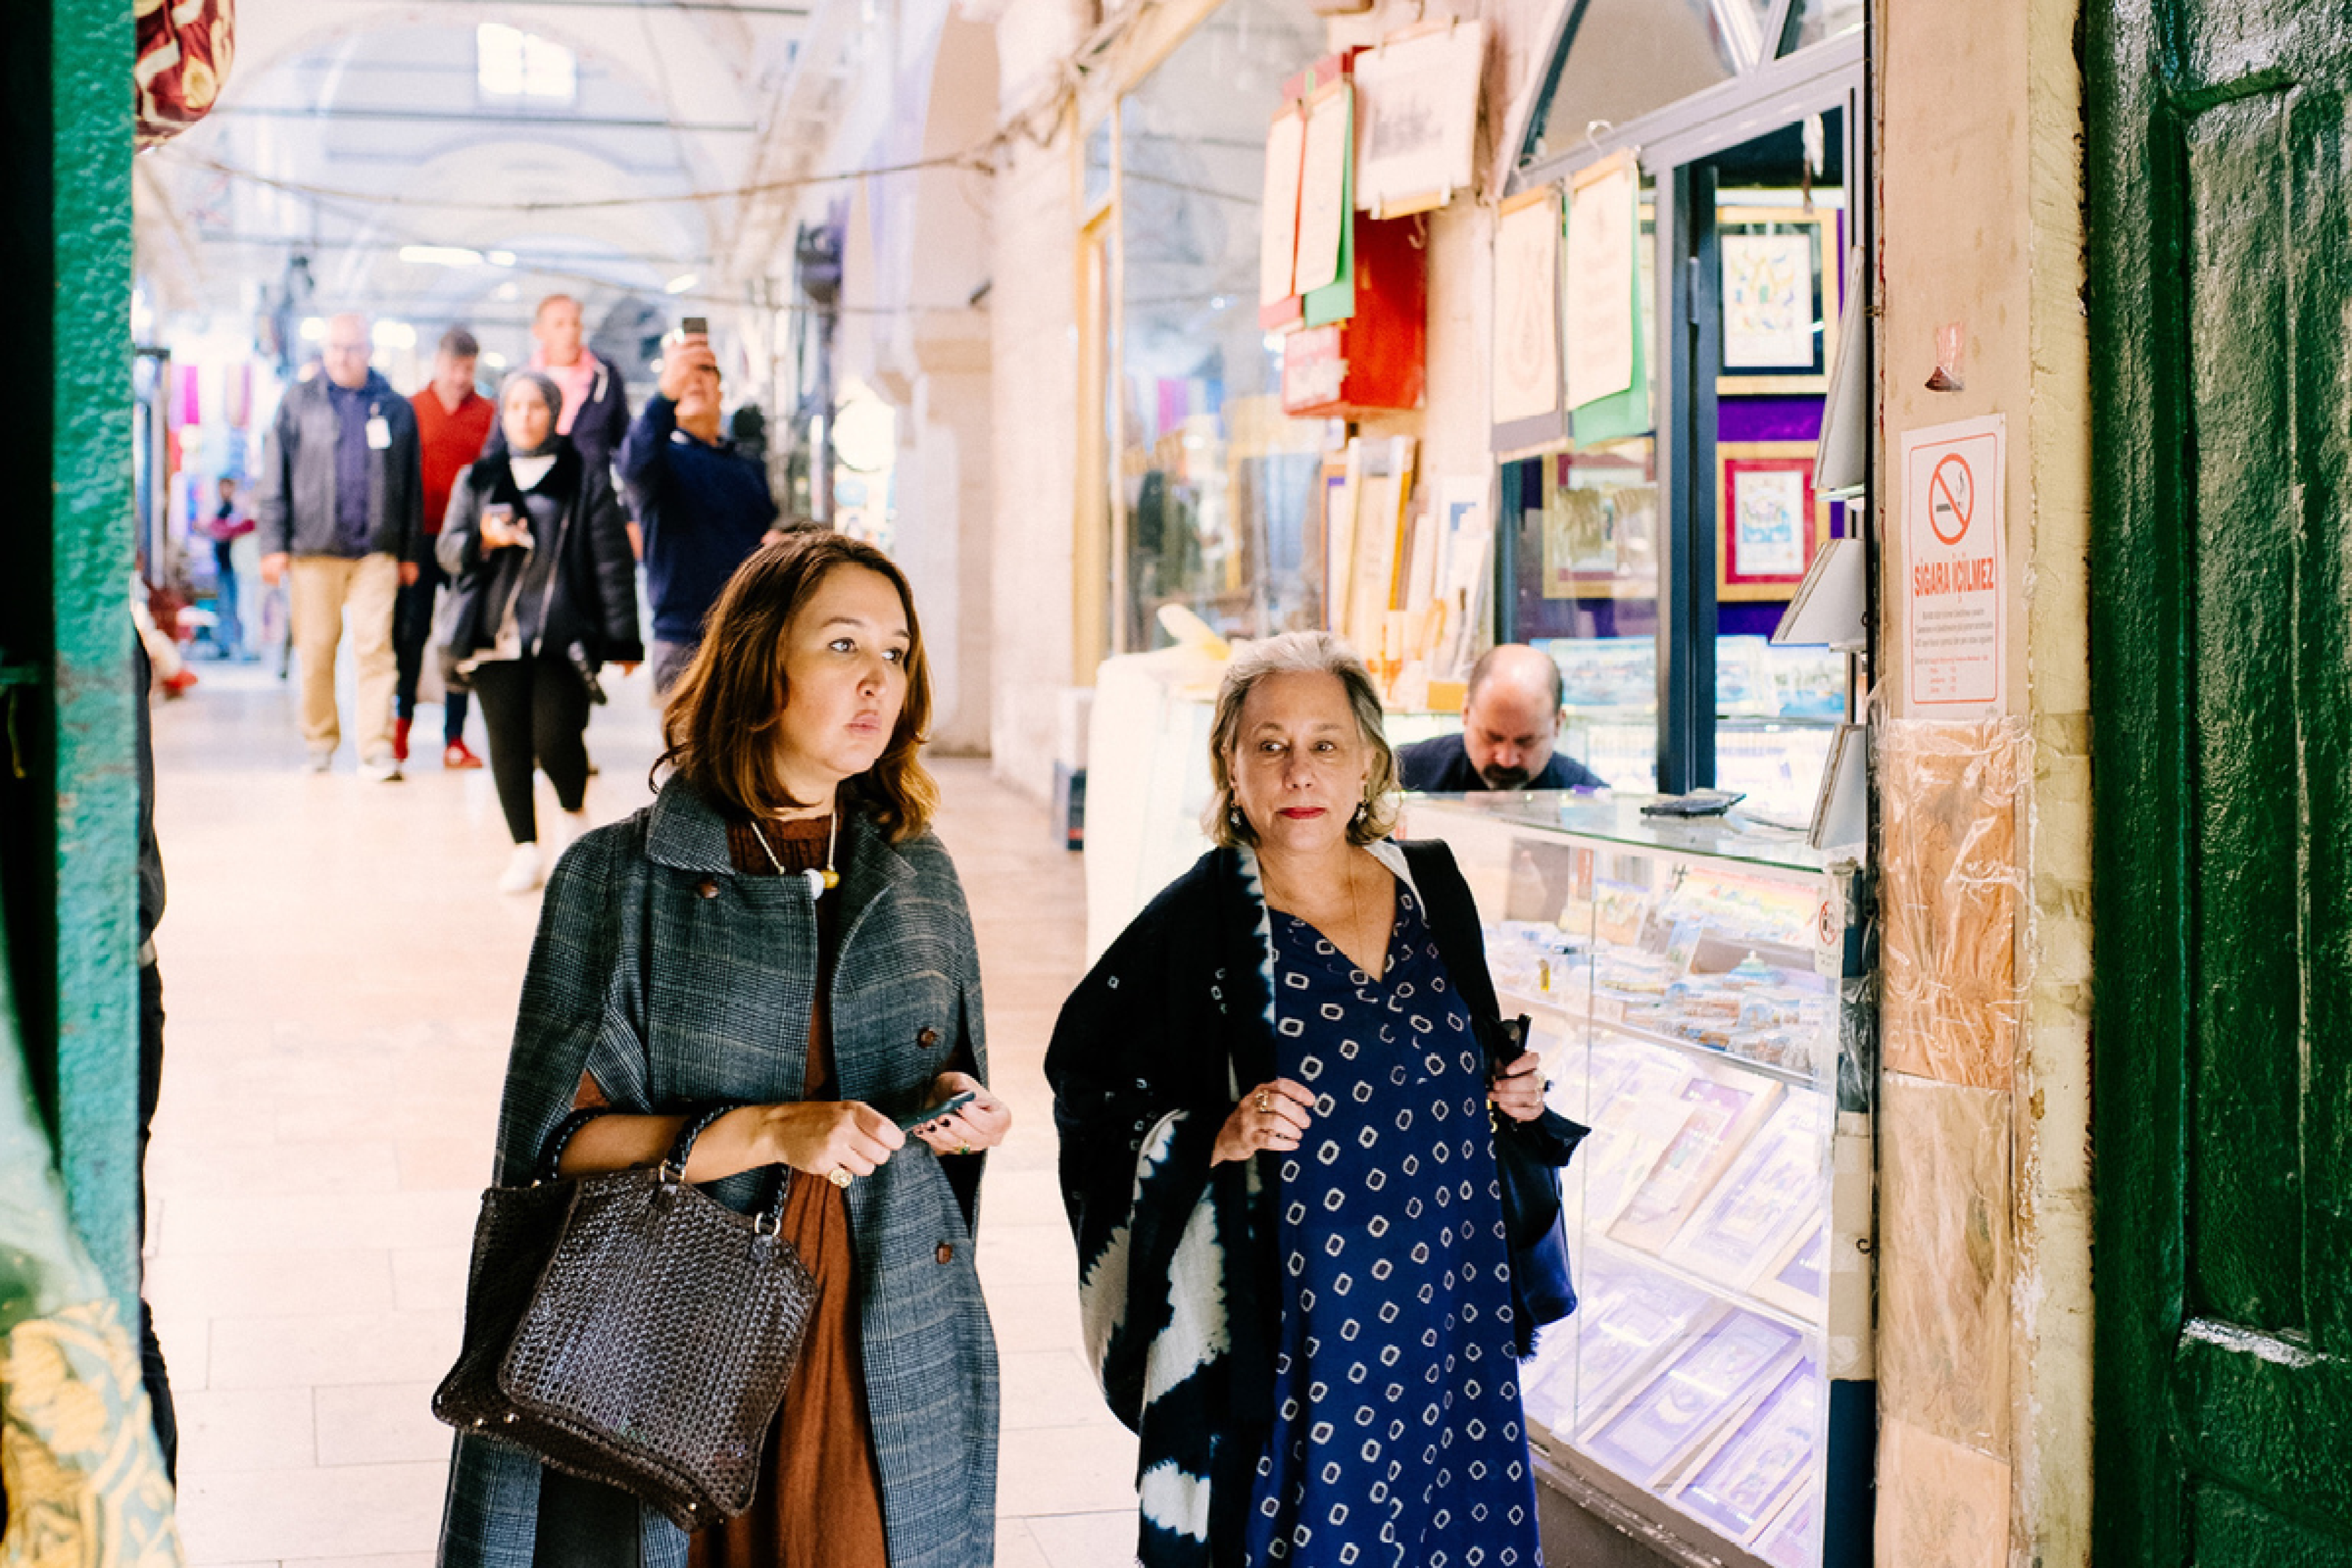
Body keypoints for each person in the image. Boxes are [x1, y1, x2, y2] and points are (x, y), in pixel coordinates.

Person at [438, 530, 1008, 1568]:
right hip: (675, 1340)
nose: (877, 679)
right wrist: (770, 1131)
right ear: (763, 663)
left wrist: (962, 1114)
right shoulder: (618, 877)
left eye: (897, 651)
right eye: (842, 646)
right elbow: (551, 1151)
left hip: (882, 1339)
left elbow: (936, 1095)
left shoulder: (918, 873)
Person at [1046, 630, 1550, 1568]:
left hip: (1448, 1306)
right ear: (1231, 769)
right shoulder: (1198, 923)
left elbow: (1474, 1053)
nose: (1298, 770)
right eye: (1269, 745)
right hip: (1300, 1330)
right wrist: (1210, 1135)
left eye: (1326, 743)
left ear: (1368, 763)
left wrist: (1509, 1092)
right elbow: (1088, 1082)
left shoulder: (1431, 887)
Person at [438, 372, 643, 894]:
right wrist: (481, 540)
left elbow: (611, 562)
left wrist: (622, 638)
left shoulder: (584, 476)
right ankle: (525, 849)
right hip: (492, 636)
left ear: (553, 413)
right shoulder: (479, 478)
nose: (526, 416)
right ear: (502, 415)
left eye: (536, 406)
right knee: (507, 745)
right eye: (515, 407)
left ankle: (572, 811)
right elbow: (447, 550)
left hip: (562, 636)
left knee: (555, 739)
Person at [254, 311, 425, 780]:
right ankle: (320, 740)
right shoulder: (297, 403)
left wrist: (409, 551)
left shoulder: (395, 407)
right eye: (335, 348)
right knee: (316, 649)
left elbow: (411, 486)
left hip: (377, 550)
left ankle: (375, 747)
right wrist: (273, 543)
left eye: (352, 348)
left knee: (374, 649)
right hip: (313, 549)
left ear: (369, 351)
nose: (343, 357)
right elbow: (275, 477)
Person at [617, 331, 778, 695]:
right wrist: (664, 396)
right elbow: (633, 462)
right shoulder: (662, 464)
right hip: (683, 641)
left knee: (748, 753)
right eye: (685, 371)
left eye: (706, 369)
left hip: (748, 638)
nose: (695, 379)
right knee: (689, 752)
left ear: (722, 388)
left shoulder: (746, 467)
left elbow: (761, 535)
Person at [399, 325, 494, 769]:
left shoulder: (488, 415)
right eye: (455, 367)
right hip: (419, 539)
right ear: (438, 363)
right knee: (411, 635)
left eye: (469, 369)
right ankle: (401, 726)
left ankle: (454, 738)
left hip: (466, 540)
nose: (461, 377)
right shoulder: (412, 410)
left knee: (459, 638)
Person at [1396, 643, 1606, 793]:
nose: (1506, 760)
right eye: (1492, 738)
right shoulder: (1402, 775)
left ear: (1558, 724)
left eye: (1526, 742)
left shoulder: (1586, 798)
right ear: (1466, 713)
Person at [484, 293, 633, 479]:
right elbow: (498, 442)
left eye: (575, 323)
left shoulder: (605, 375)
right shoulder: (519, 381)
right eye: (560, 325)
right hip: (533, 488)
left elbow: (625, 439)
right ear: (539, 331)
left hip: (591, 491)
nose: (570, 332)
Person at [203, 475, 254, 659]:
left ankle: (236, 645)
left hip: (237, 567)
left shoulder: (236, 512)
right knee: (225, 606)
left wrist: (216, 528)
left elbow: (228, 531)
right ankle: (226, 645)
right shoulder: (222, 510)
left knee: (236, 607)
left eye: (228, 487)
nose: (225, 491)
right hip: (224, 566)